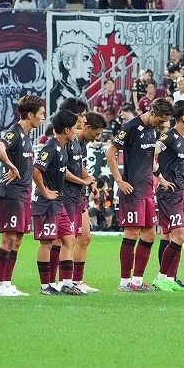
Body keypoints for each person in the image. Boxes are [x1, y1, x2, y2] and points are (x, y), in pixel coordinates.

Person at [106, 97, 174, 292]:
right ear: (152, 112)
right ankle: (124, 282)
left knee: (151, 235)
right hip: (132, 190)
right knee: (132, 233)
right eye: (160, 120)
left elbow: (150, 159)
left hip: (147, 190)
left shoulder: (152, 131)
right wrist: (119, 180)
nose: (162, 125)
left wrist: (160, 179)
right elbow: (111, 152)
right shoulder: (131, 127)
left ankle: (137, 281)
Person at [0, 95, 46, 296]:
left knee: (17, 240)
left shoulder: (26, 136)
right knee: (8, 238)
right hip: (11, 193)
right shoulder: (14, 133)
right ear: (30, 114)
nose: (43, 117)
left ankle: (7, 283)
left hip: (23, 195)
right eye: (40, 114)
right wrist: (11, 166)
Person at [33, 109, 85, 295]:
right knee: (46, 243)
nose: (76, 131)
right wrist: (45, 192)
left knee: (69, 239)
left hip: (59, 203)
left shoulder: (61, 149)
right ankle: (45, 286)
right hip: (46, 203)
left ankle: (66, 283)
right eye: (74, 128)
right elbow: (36, 170)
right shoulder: (51, 147)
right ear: (66, 130)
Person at [152, 100, 184, 292]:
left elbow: (182, 171)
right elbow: (150, 154)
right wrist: (160, 178)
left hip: (180, 192)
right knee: (178, 236)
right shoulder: (169, 137)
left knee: (174, 236)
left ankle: (170, 279)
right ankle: (160, 277)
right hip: (168, 193)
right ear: (183, 118)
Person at [68, 110, 107, 292]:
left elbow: (80, 167)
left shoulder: (81, 145)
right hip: (67, 196)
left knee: (84, 238)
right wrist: (84, 181)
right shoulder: (71, 142)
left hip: (79, 195)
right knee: (66, 241)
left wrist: (90, 180)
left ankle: (77, 280)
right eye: (97, 133)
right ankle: (60, 281)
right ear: (88, 127)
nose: (97, 138)